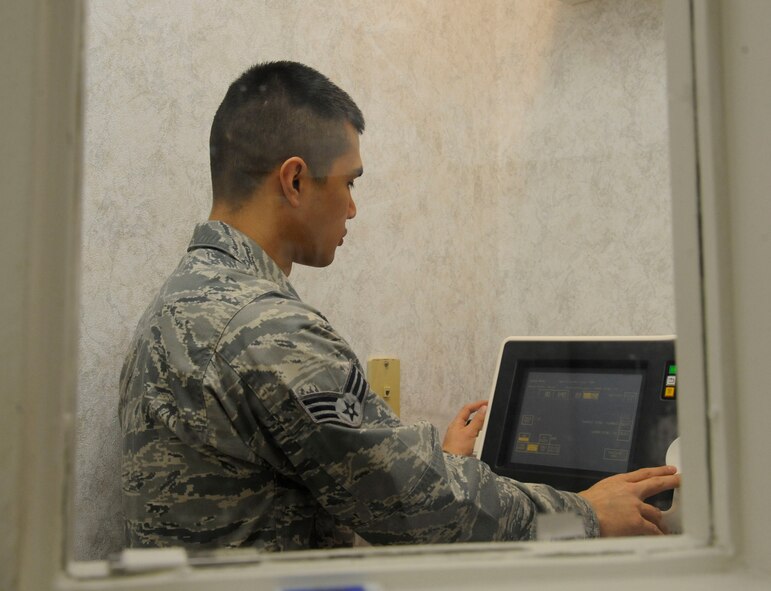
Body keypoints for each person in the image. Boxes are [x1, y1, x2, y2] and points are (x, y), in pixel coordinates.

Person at [119, 60, 679, 551]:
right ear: (294, 181)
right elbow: (419, 513)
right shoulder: (269, 329)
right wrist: (588, 517)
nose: (353, 210)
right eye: (349, 183)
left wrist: (440, 467)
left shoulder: (177, 303)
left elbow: (353, 485)